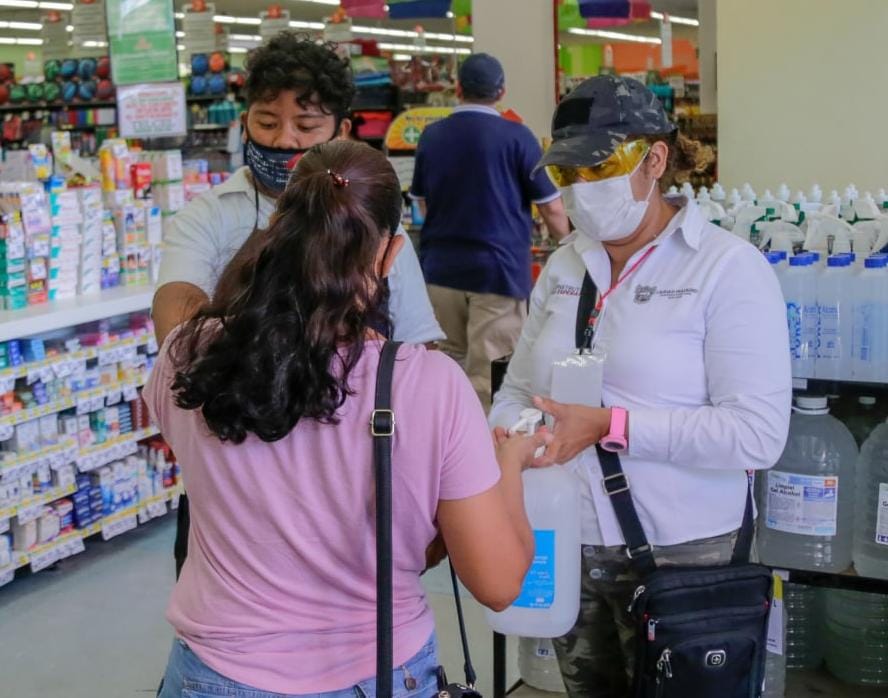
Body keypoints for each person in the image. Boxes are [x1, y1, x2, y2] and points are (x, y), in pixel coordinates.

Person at [147, 141, 544, 697]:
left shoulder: (186, 358)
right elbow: (499, 582)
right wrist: (510, 465)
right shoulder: (425, 384)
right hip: (377, 671)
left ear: (276, 231)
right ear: (390, 255)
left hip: (213, 673)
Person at [489, 75, 792, 697]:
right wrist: (512, 440)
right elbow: (516, 390)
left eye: (599, 166)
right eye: (568, 174)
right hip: (568, 542)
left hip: (686, 553)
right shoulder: (566, 265)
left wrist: (610, 426)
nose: (580, 190)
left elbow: (757, 435)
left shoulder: (726, 268)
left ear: (654, 160)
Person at [152, 34, 442, 576]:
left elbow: (416, 347)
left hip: (350, 486)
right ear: (244, 123)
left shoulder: (374, 227)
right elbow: (174, 319)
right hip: (231, 495)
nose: (284, 140)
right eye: (267, 122)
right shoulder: (207, 218)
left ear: (341, 133)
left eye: (306, 128)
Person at [409, 52, 570, 409]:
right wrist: (572, 246)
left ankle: (441, 452)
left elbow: (422, 204)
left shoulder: (432, 136)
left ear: (458, 88)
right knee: (490, 376)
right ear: (501, 92)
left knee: (444, 367)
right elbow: (552, 207)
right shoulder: (517, 137)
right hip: (497, 273)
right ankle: (482, 459)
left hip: (440, 272)